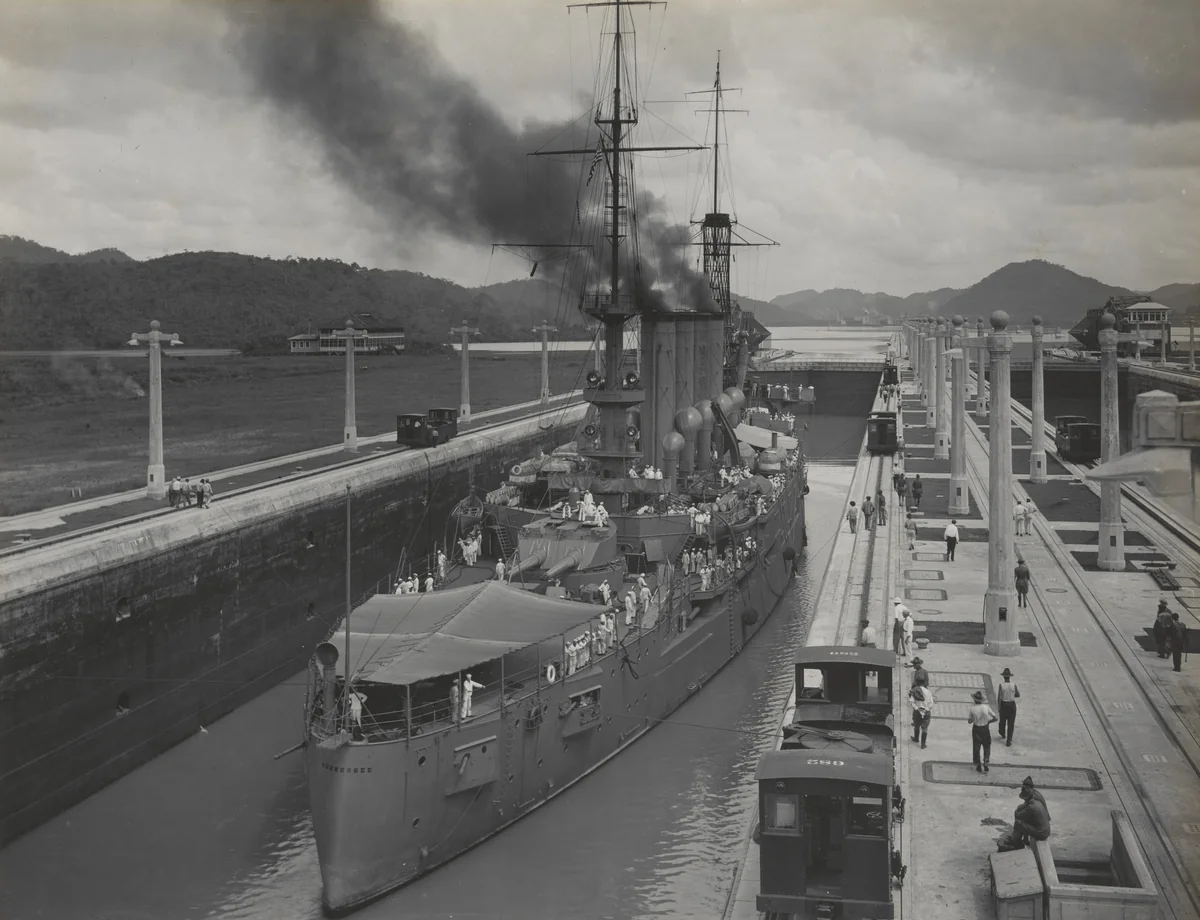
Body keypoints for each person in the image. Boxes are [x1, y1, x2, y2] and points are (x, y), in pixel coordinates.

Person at [1000, 779, 1052, 851]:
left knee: (1019, 822)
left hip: (1042, 832)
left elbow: (1019, 815)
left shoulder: (1032, 806)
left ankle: (1015, 840)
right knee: (1024, 820)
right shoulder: (1034, 799)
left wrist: (1017, 811)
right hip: (1044, 828)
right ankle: (1021, 839)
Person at [966, 690, 998, 773]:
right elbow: (995, 718)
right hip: (985, 728)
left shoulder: (972, 709)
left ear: (974, 700)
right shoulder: (986, 707)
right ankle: (986, 761)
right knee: (987, 745)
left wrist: (974, 718)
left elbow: (969, 721)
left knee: (976, 747)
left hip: (976, 729)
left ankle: (978, 765)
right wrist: (988, 722)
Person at [997, 667, 1020, 746]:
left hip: (1004, 704)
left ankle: (1002, 733)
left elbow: (999, 697)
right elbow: (1018, 694)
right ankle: (1009, 740)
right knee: (1011, 723)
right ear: (1010, 677)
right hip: (1012, 705)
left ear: (1003, 677)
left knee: (1002, 721)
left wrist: (999, 707)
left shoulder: (1001, 685)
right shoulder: (1014, 685)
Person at [910, 684, 934, 749]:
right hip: (926, 712)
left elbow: (912, 702)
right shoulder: (928, 692)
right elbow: (931, 703)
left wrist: (916, 708)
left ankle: (916, 738)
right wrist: (927, 709)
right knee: (925, 728)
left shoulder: (914, 691)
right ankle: (923, 744)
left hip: (917, 712)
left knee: (916, 725)